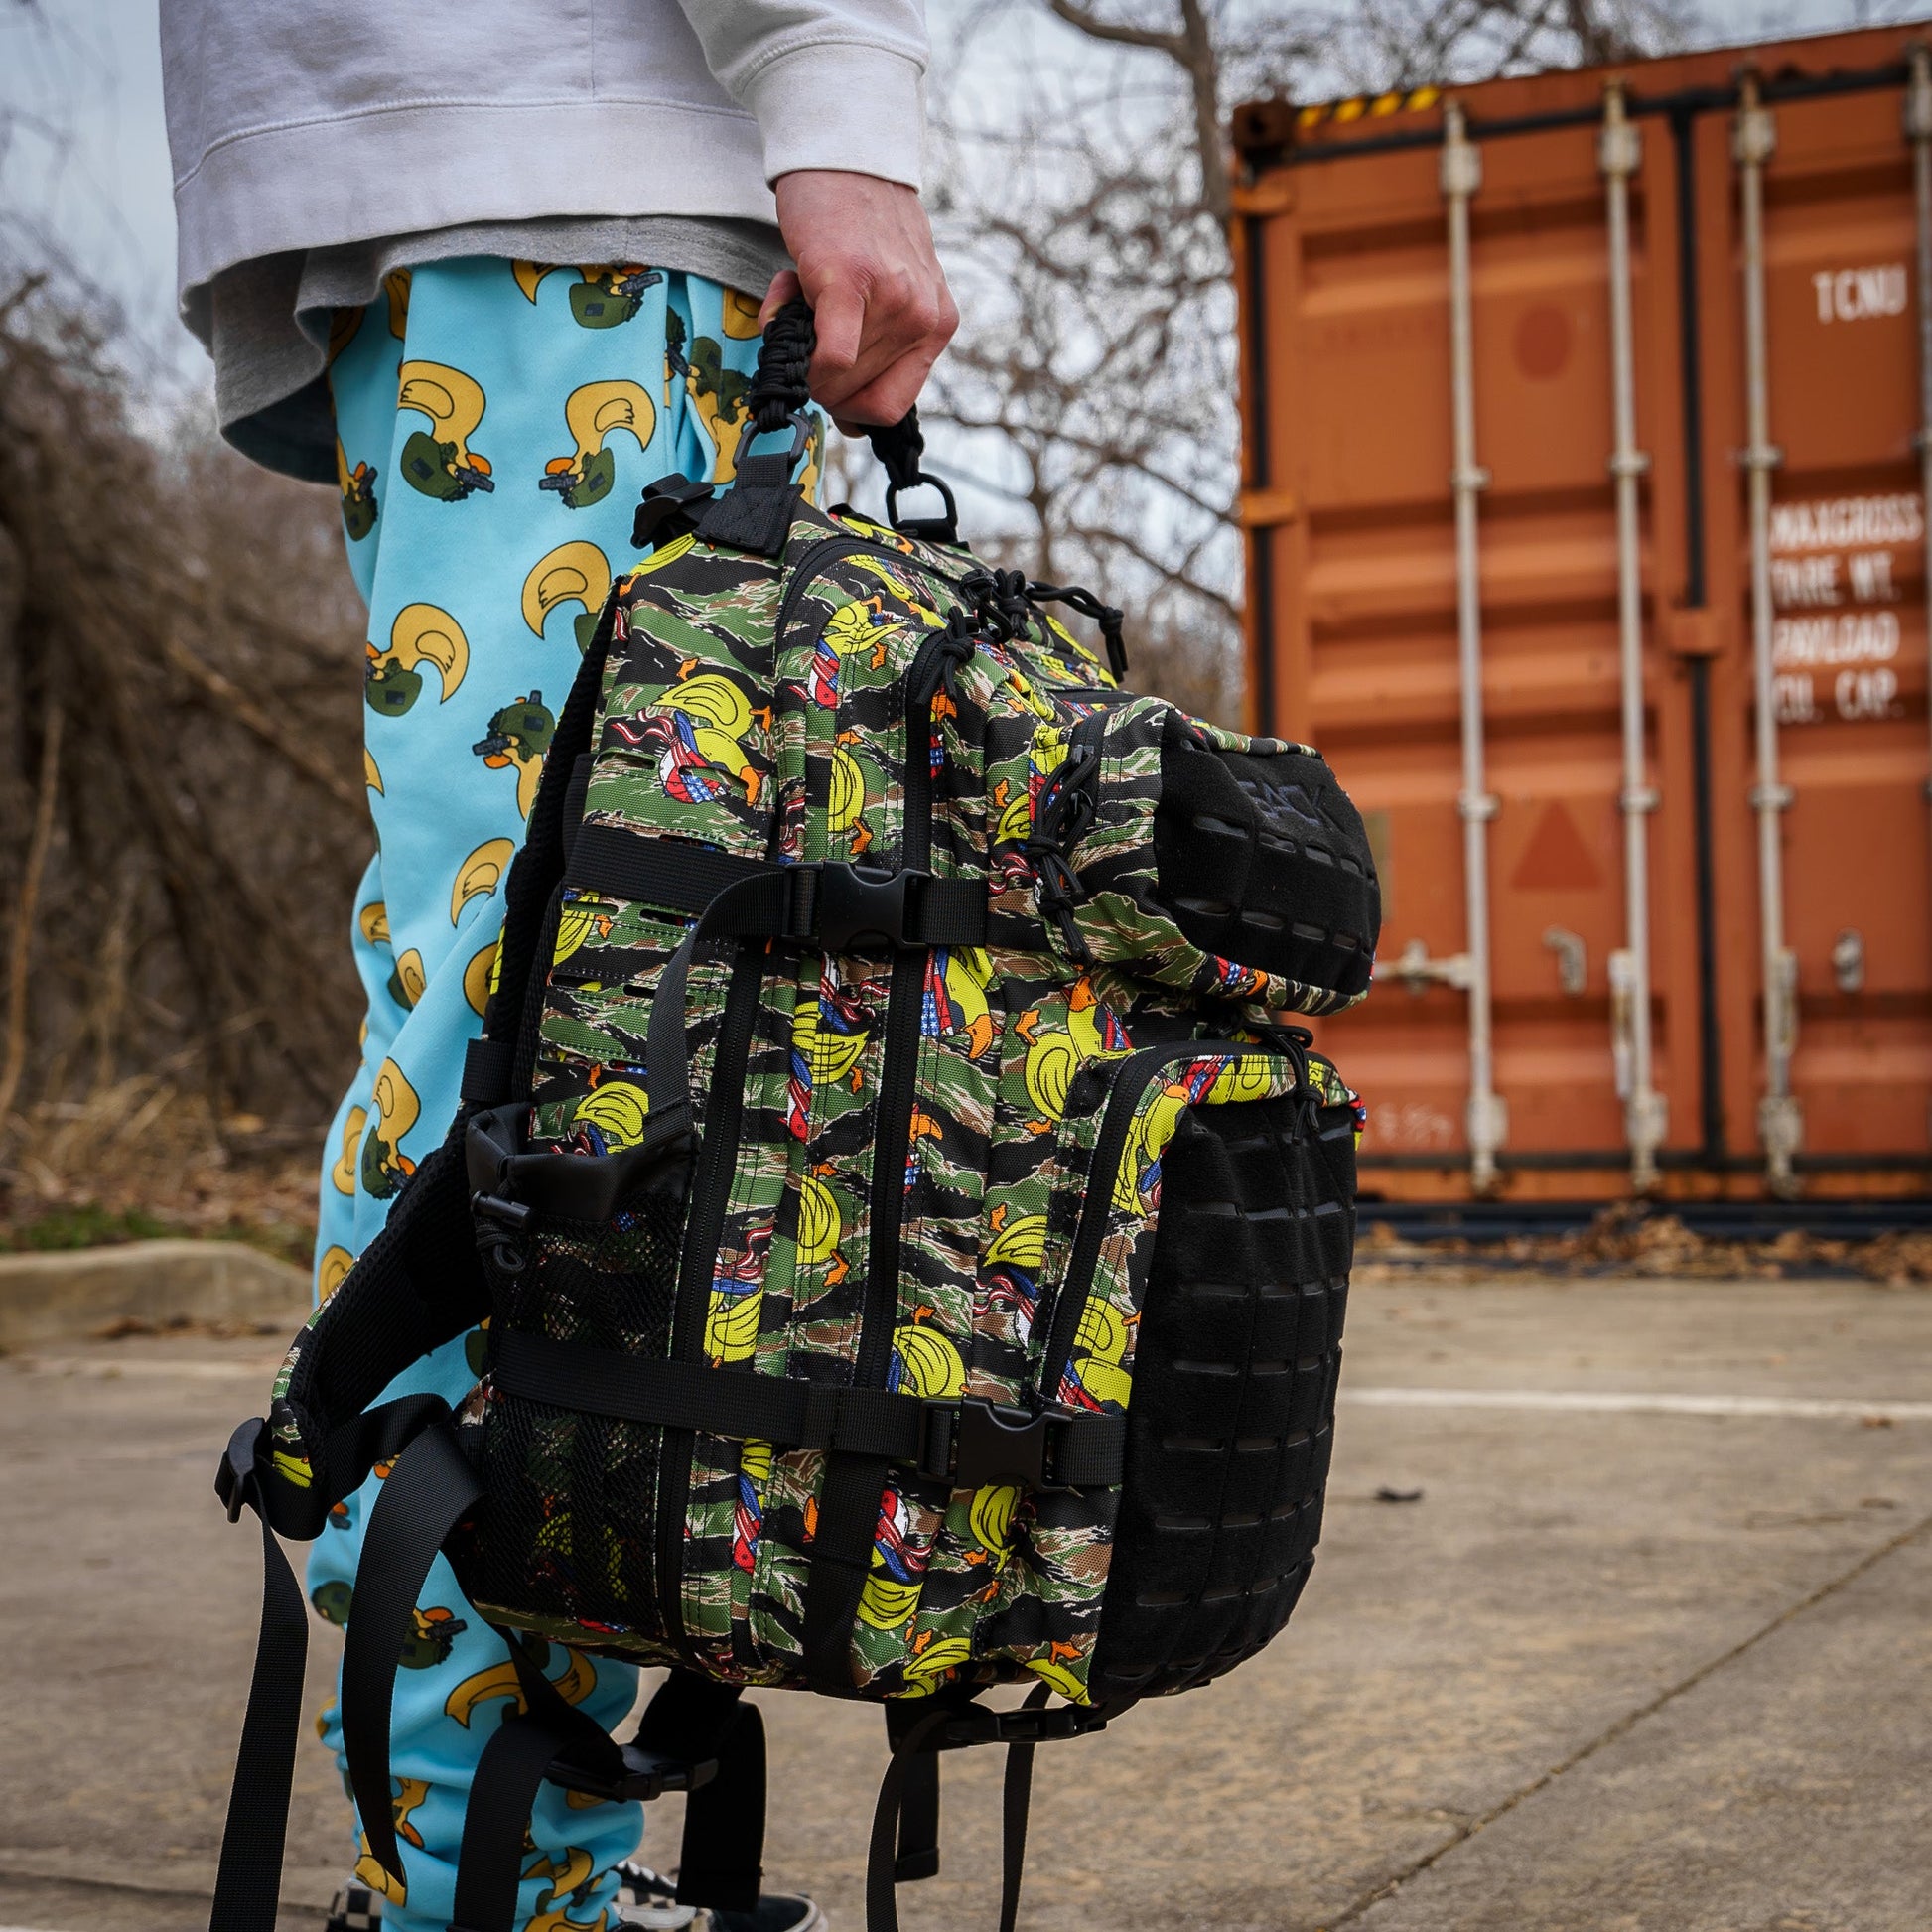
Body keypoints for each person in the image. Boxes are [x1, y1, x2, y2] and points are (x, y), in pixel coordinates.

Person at [159, 8, 958, 1930]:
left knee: (533, 1002)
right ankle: (483, 1882)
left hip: (499, 213)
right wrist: (834, 90)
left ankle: (502, 1856)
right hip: (579, 201)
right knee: (536, 1042)